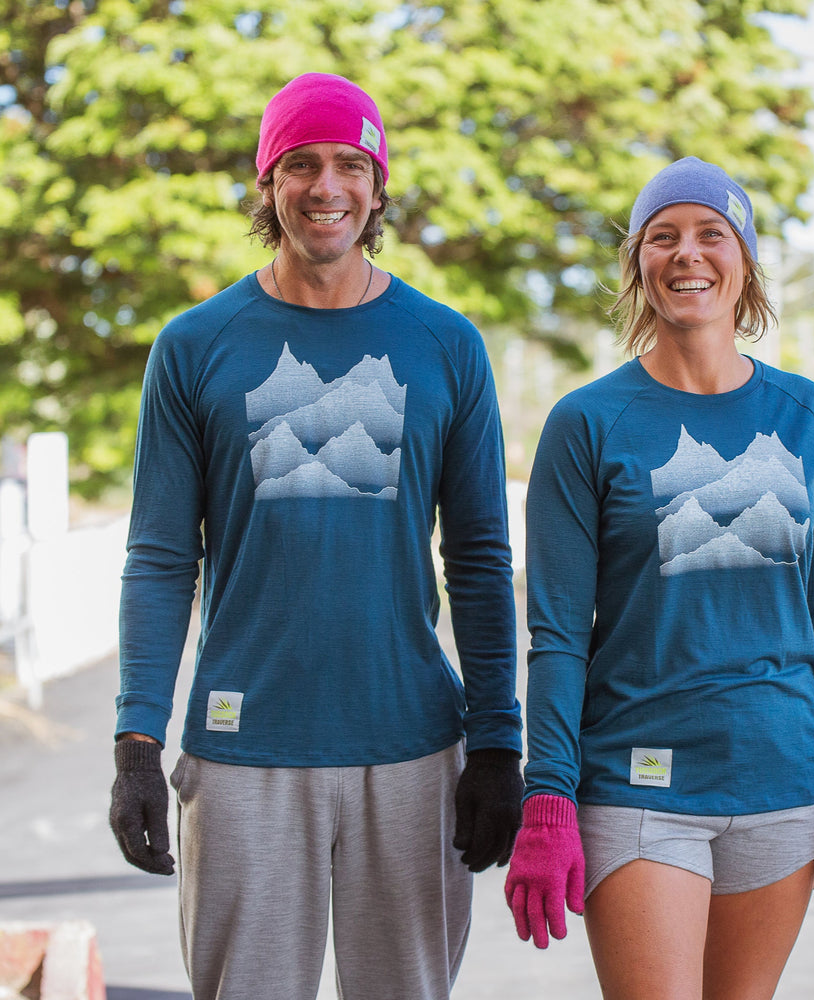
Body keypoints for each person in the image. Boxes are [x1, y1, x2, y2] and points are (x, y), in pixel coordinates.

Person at [108, 72, 523, 1000]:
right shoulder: (195, 344)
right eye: (300, 164)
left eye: (348, 164)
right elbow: (162, 560)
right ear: (268, 184)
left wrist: (498, 741)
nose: (325, 186)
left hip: (413, 747)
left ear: (377, 188)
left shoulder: (446, 344)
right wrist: (137, 740)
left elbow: (482, 560)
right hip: (243, 751)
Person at [504, 157, 814, 999]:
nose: (688, 253)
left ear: (744, 260)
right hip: (640, 787)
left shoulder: (805, 415)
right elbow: (560, 634)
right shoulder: (588, 424)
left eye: (712, 234)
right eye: (663, 237)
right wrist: (548, 800)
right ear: (638, 265)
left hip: (782, 781)